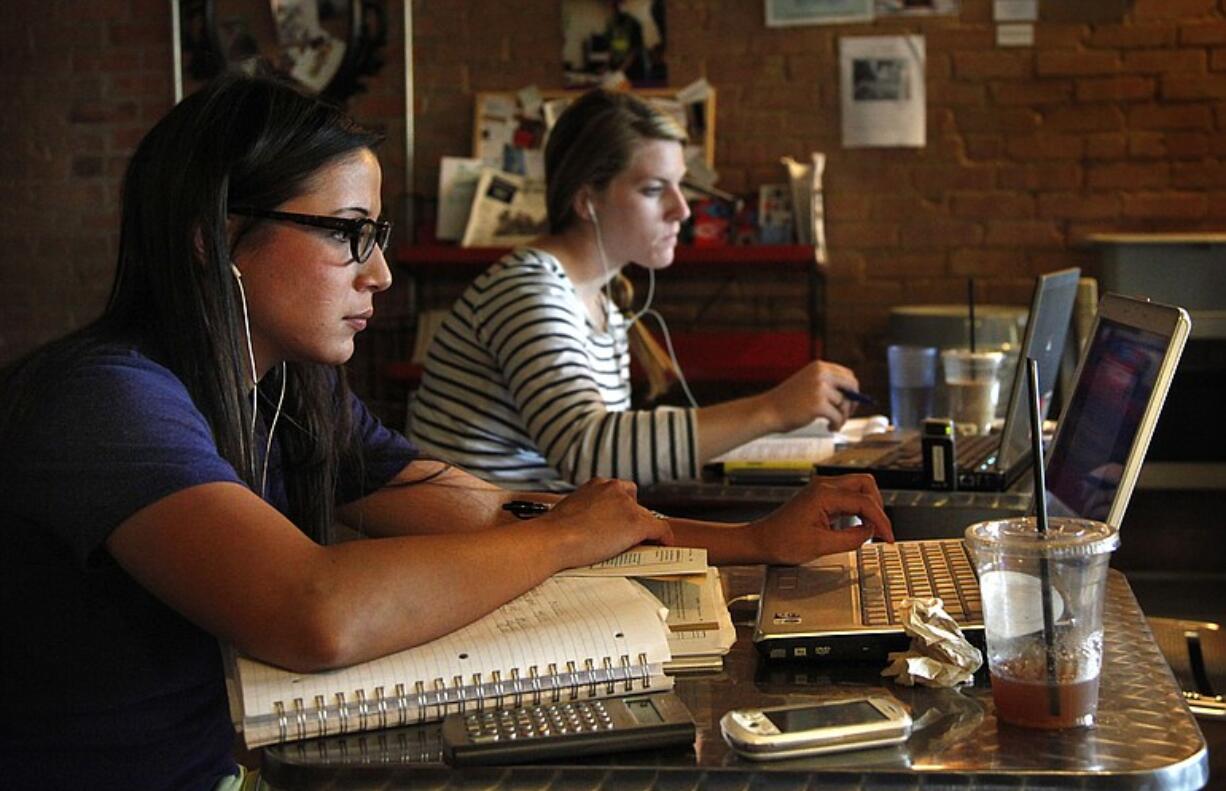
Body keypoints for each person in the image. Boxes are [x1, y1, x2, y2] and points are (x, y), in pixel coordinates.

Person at [0, 75, 891, 791]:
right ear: (214, 237)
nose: (381, 272)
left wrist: (748, 542)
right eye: (349, 235)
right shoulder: (105, 399)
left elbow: (488, 508)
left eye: (377, 235)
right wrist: (561, 536)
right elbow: (312, 608)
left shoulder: (291, 390)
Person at [409, 89, 863, 490]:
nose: (681, 209)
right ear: (587, 199)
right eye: (653, 189)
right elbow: (588, 453)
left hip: (531, 534)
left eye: (680, 186)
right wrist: (773, 410)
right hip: (477, 546)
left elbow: (603, 463)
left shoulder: (602, 303)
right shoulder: (529, 292)